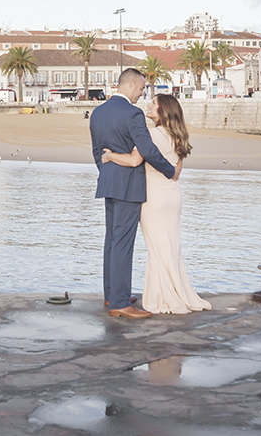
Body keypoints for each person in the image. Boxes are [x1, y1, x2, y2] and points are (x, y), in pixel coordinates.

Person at [101, 93, 209, 315]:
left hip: (154, 199)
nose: (148, 105)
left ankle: (162, 296)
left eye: (153, 103)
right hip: (173, 197)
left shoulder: (150, 135)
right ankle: (177, 291)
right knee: (170, 246)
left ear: (163, 111)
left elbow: (133, 161)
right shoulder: (179, 136)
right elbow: (177, 170)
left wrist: (110, 156)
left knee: (157, 249)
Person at [89, 68, 176, 320]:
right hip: (129, 185)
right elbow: (147, 149)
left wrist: (107, 172)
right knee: (123, 243)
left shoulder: (98, 112)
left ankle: (111, 293)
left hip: (109, 182)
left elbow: (97, 152)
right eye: (141, 88)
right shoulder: (132, 113)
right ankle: (119, 302)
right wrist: (170, 170)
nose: (141, 94)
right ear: (131, 84)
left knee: (111, 241)